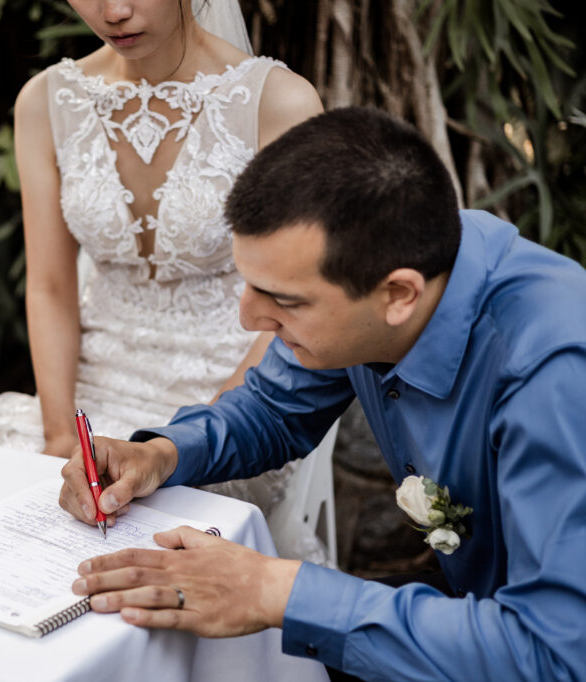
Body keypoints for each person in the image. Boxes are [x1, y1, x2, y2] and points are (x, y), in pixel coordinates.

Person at [58, 106, 586, 681]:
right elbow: (271, 409)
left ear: (398, 295)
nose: (249, 320)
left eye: (283, 300)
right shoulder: (402, 262)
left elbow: (554, 653)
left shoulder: (552, 373)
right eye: (248, 285)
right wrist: (161, 454)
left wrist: (273, 590)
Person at [0, 0, 329, 561]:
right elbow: (51, 287)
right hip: (86, 390)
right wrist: (62, 436)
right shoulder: (46, 101)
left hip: (226, 395)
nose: (115, 11)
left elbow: (293, 302)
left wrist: (212, 433)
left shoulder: (277, 102)